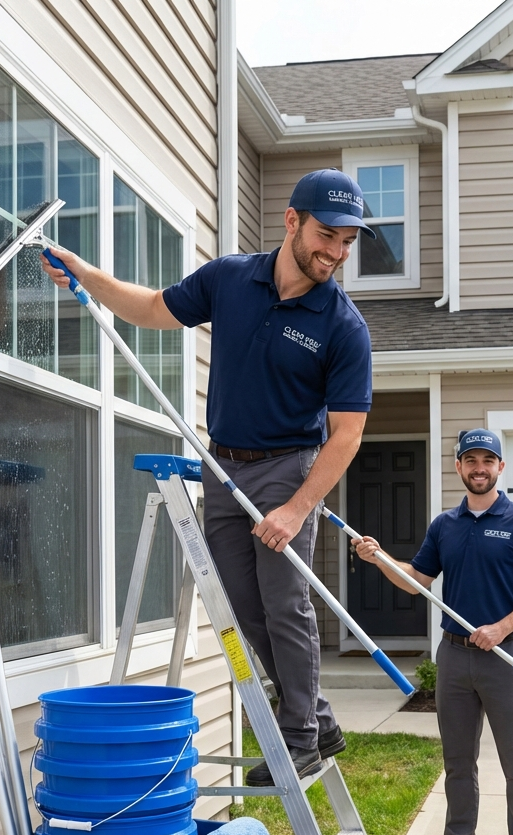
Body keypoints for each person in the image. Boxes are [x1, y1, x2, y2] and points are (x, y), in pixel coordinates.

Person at [42, 169, 376, 784]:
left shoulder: (343, 326)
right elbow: (151, 308)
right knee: (244, 606)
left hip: (287, 468)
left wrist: (299, 507)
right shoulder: (230, 278)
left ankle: (299, 735)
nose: (337, 252)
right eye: (328, 235)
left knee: (283, 602)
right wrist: (85, 277)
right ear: (292, 221)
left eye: (349, 241)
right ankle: (319, 716)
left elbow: (347, 434)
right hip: (222, 466)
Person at [353, 428, 513, 835]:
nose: (479, 468)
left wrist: (502, 628)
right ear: (459, 467)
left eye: (489, 460)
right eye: (471, 460)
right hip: (454, 657)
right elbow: (416, 581)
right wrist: (379, 557)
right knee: (458, 763)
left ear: (500, 468)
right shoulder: (444, 525)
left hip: (504, 659)